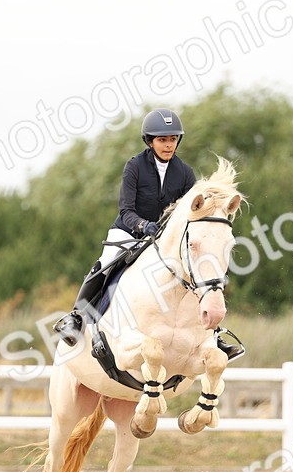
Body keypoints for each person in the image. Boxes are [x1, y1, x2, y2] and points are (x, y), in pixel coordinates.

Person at [52, 108, 244, 361]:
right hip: (129, 231)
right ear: (150, 141)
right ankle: (76, 317)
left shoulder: (184, 172)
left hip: (165, 237)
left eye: (173, 139)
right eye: (163, 140)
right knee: (105, 263)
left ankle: (213, 334)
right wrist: (144, 226)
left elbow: (188, 214)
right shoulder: (135, 166)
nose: (168, 145)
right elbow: (126, 209)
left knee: (195, 270)